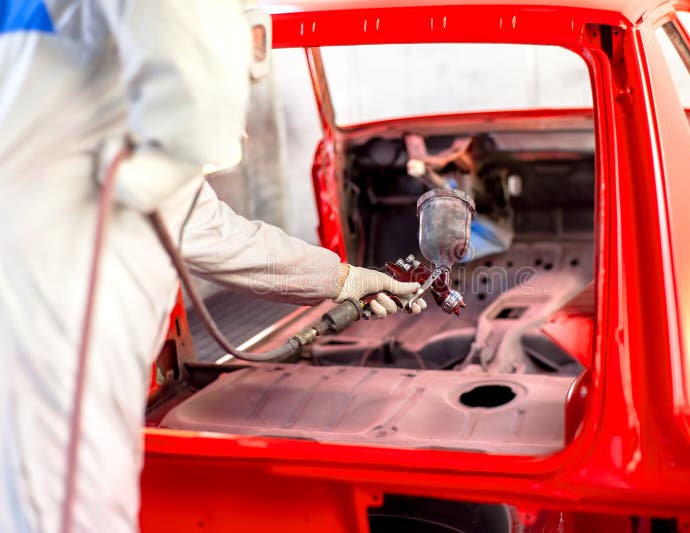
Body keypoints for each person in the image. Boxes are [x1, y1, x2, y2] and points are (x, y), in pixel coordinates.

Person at [0, 2, 424, 532]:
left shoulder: (95, 106)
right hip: (51, 302)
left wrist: (342, 279)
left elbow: (222, 237)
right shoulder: (120, 156)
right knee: (68, 506)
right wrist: (190, 137)